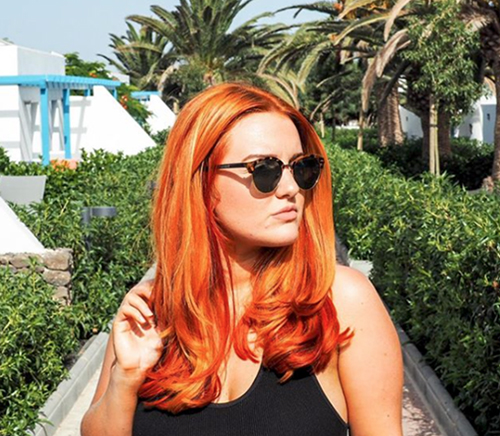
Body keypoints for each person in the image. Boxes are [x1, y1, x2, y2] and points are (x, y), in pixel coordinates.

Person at [81, 82, 403, 436]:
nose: (291, 188)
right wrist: (124, 379)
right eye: (265, 169)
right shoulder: (150, 310)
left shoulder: (341, 301)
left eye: (301, 167)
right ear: (200, 180)